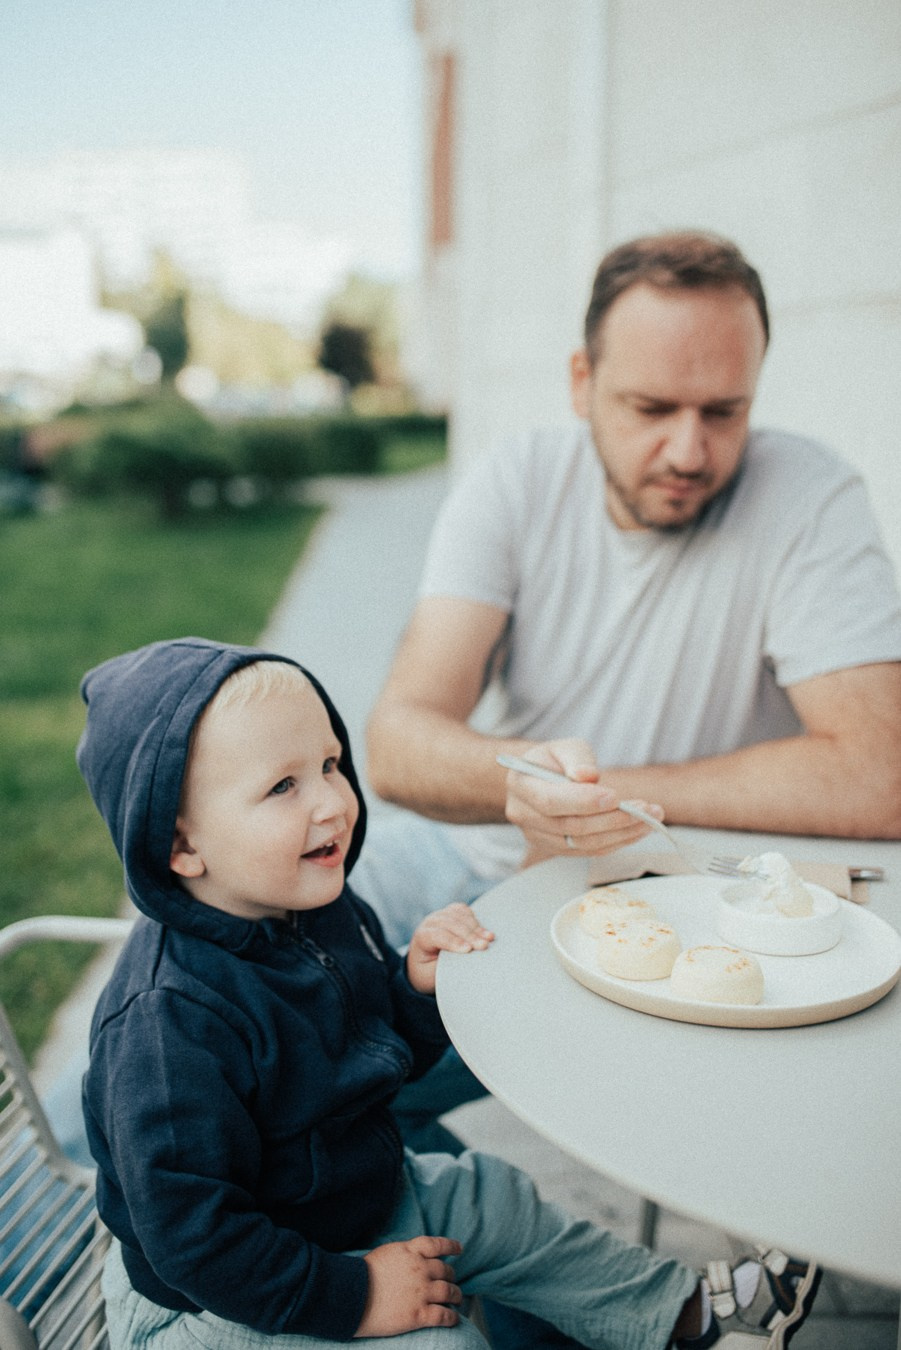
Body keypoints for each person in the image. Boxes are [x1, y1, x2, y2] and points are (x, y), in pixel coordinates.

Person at [71, 635, 821, 1350]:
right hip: (220, 1303)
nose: (331, 802)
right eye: (281, 786)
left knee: (496, 1201)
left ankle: (688, 1319)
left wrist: (412, 987)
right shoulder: (170, 1026)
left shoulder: (315, 912)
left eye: (329, 764)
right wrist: (357, 1295)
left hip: (343, 1210)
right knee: (441, 1336)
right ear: (179, 845)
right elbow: (193, 1238)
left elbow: (368, 1048)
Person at [359, 229, 901, 951]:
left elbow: (879, 775)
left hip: (673, 894)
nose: (687, 452)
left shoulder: (810, 495)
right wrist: (520, 793)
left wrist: (596, 798)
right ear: (581, 381)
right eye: (651, 408)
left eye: (722, 411)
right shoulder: (515, 481)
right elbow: (396, 745)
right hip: (477, 856)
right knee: (226, 930)